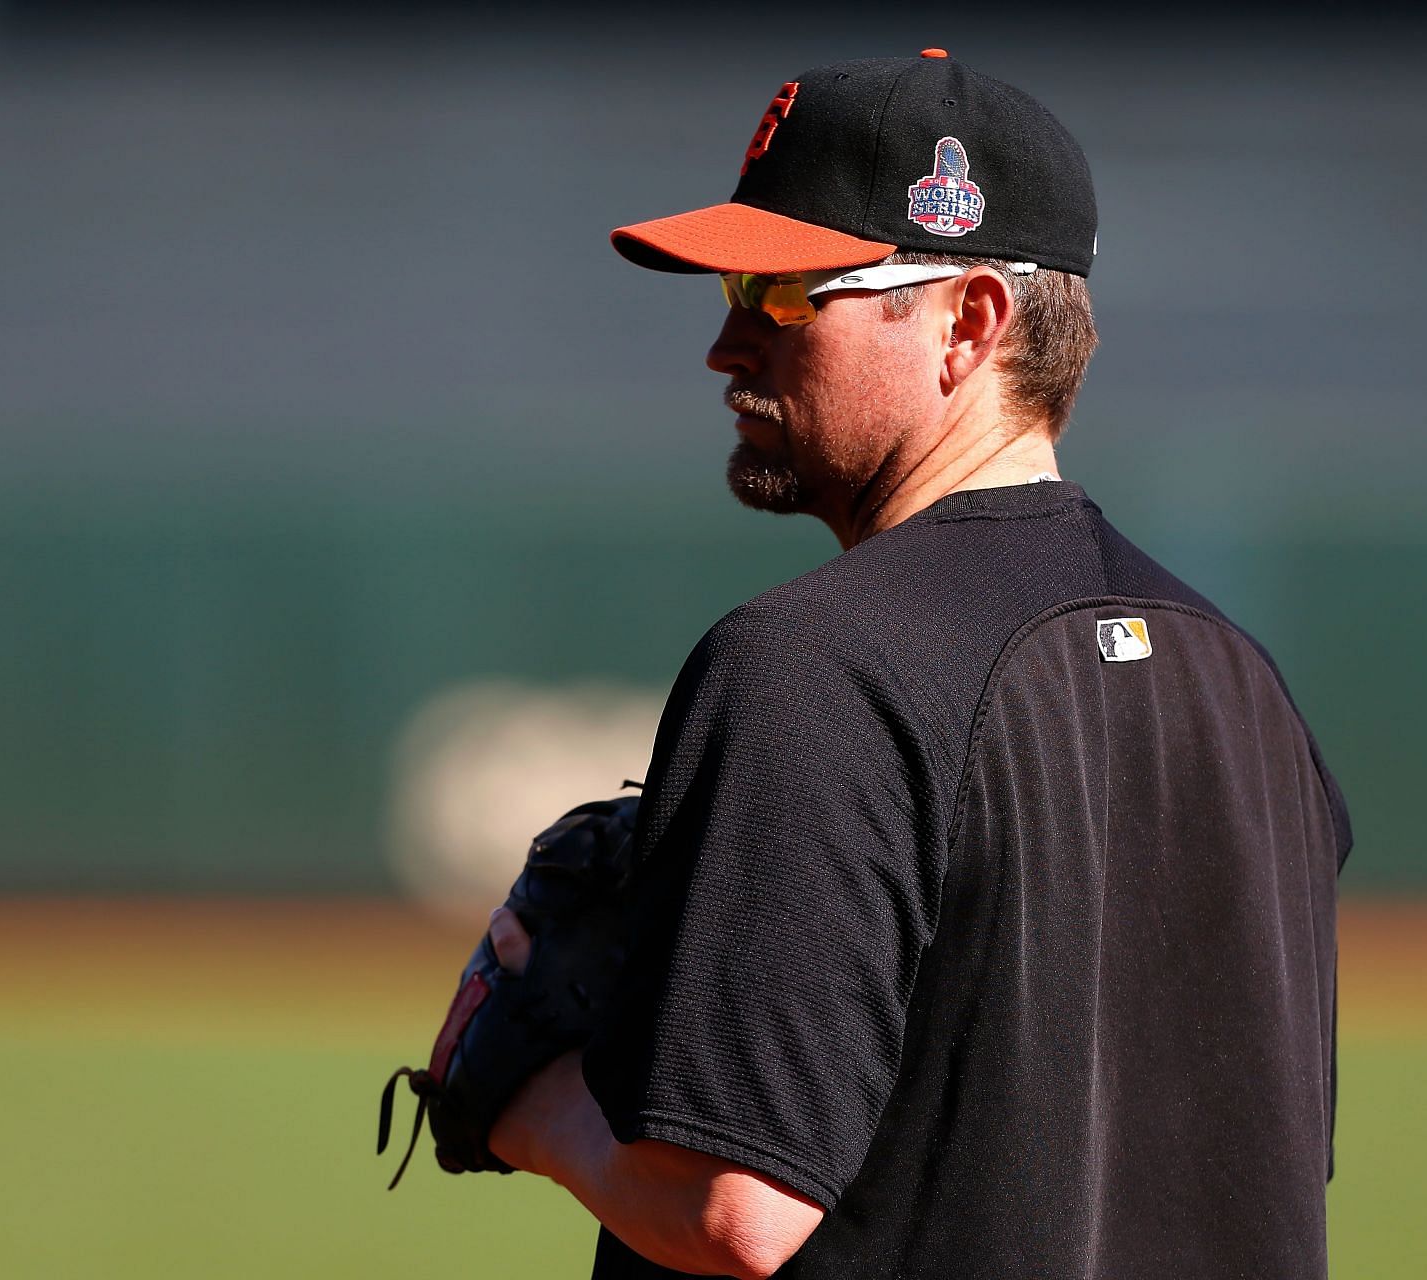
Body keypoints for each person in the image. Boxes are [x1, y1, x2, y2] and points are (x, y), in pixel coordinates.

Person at [486, 50, 1352, 1280]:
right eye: (736, 283)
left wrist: (532, 1101)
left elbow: (737, 1211)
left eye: (786, 292)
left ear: (972, 321)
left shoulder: (814, 663)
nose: (729, 344)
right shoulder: (1243, 684)